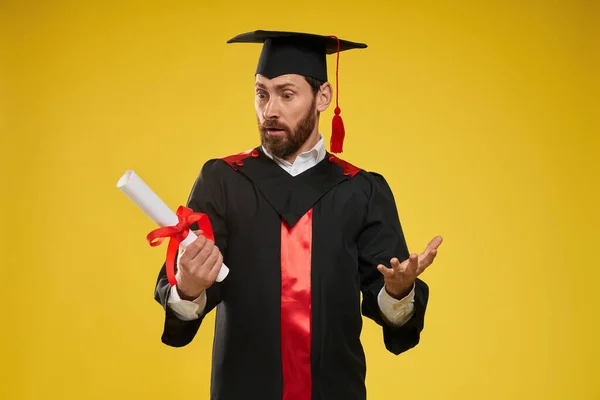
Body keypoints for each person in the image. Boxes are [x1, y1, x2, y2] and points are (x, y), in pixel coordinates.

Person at [153, 30, 443, 400]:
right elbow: (180, 305)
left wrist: (398, 291)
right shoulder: (223, 181)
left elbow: (394, 319)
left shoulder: (360, 189)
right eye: (262, 93)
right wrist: (189, 287)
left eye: (286, 94)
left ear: (323, 97)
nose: (269, 110)